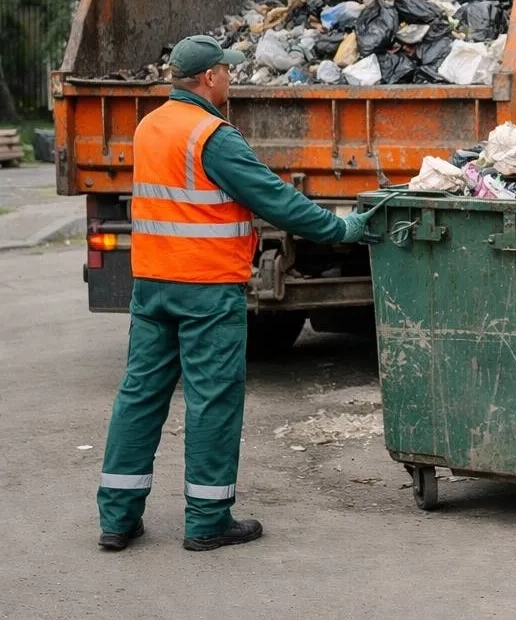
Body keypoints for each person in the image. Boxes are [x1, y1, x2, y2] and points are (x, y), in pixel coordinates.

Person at [97, 34, 378, 553]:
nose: (231, 78)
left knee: (139, 397)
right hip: (206, 290)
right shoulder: (212, 135)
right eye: (226, 71)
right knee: (212, 402)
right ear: (209, 78)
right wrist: (343, 229)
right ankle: (206, 521)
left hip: (153, 286)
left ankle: (117, 519)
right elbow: (274, 199)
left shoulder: (149, 126)